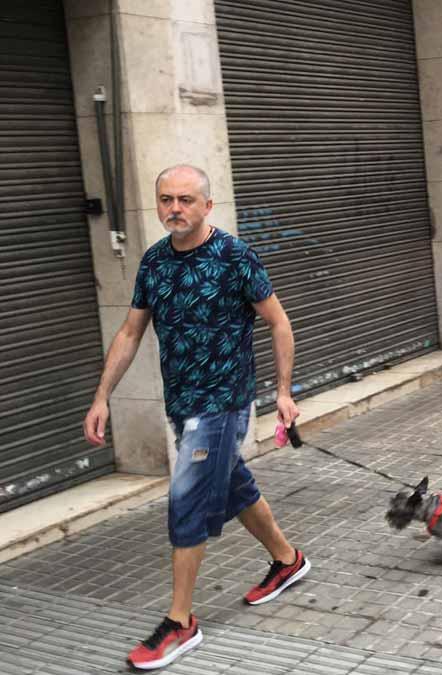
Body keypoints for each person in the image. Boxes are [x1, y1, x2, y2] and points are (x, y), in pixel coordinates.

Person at [83, 165, 310, 670]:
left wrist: (283, 393)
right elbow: (129, 334)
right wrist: (102, 398)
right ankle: (288, 560)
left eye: (186, 199)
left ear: (207, 205)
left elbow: (279, 322)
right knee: (232, 485)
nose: (174, 209)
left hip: (224, 403)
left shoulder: (234, 256)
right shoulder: (154, 263)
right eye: (166, 199)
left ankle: (181, 622)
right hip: (181, 403)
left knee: (186, 497)